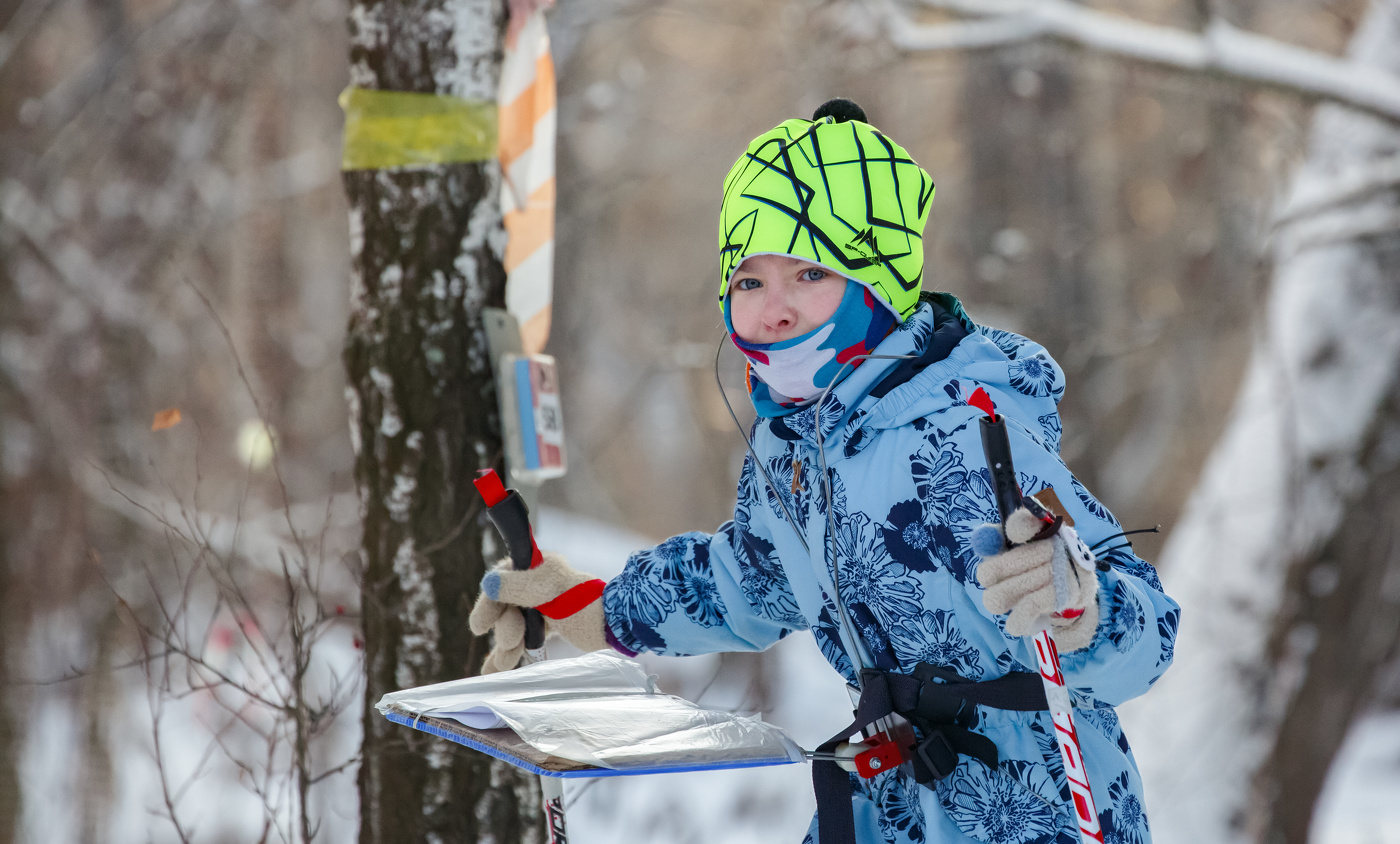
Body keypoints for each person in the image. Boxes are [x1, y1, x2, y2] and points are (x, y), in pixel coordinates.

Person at [470, 99, 1179, 844]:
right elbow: (755, 578)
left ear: (878, 280)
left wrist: (1084, 611)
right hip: (888, 798)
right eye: (748, 281)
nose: (773, 309)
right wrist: (599, 608)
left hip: (1030, 810)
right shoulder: (794, 448)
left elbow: (1149, 630)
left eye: (809, 272)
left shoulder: (968, 427)